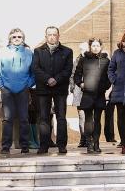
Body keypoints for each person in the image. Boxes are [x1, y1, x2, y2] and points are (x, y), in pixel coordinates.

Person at [32, 26, 74, 154]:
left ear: (58, 36)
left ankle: (62, 145)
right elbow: (36, 68)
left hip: (60, 88)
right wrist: (48, 79)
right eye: (49, 34)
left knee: (61, 117)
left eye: (54, 34)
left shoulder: (67, 51)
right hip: (43, 89)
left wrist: (56, 79)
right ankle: (44, 145)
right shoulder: (38, 51)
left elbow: (68, 70)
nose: (52, 37)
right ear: (46, 36)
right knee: (44, 117)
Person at [72, 38, 110, 154]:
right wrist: (81, 84)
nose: (95, 48)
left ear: (101, 47)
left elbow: (110, 76)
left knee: (97, 120)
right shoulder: (83, 59)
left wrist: (105, 87)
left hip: (99, 94)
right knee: (88, 119)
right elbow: (77, 75)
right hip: (87, 94)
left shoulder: (106, 60)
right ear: (90, 47)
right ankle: (89, 143)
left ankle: (97, 143)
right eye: (93, 46)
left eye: (97, 45)